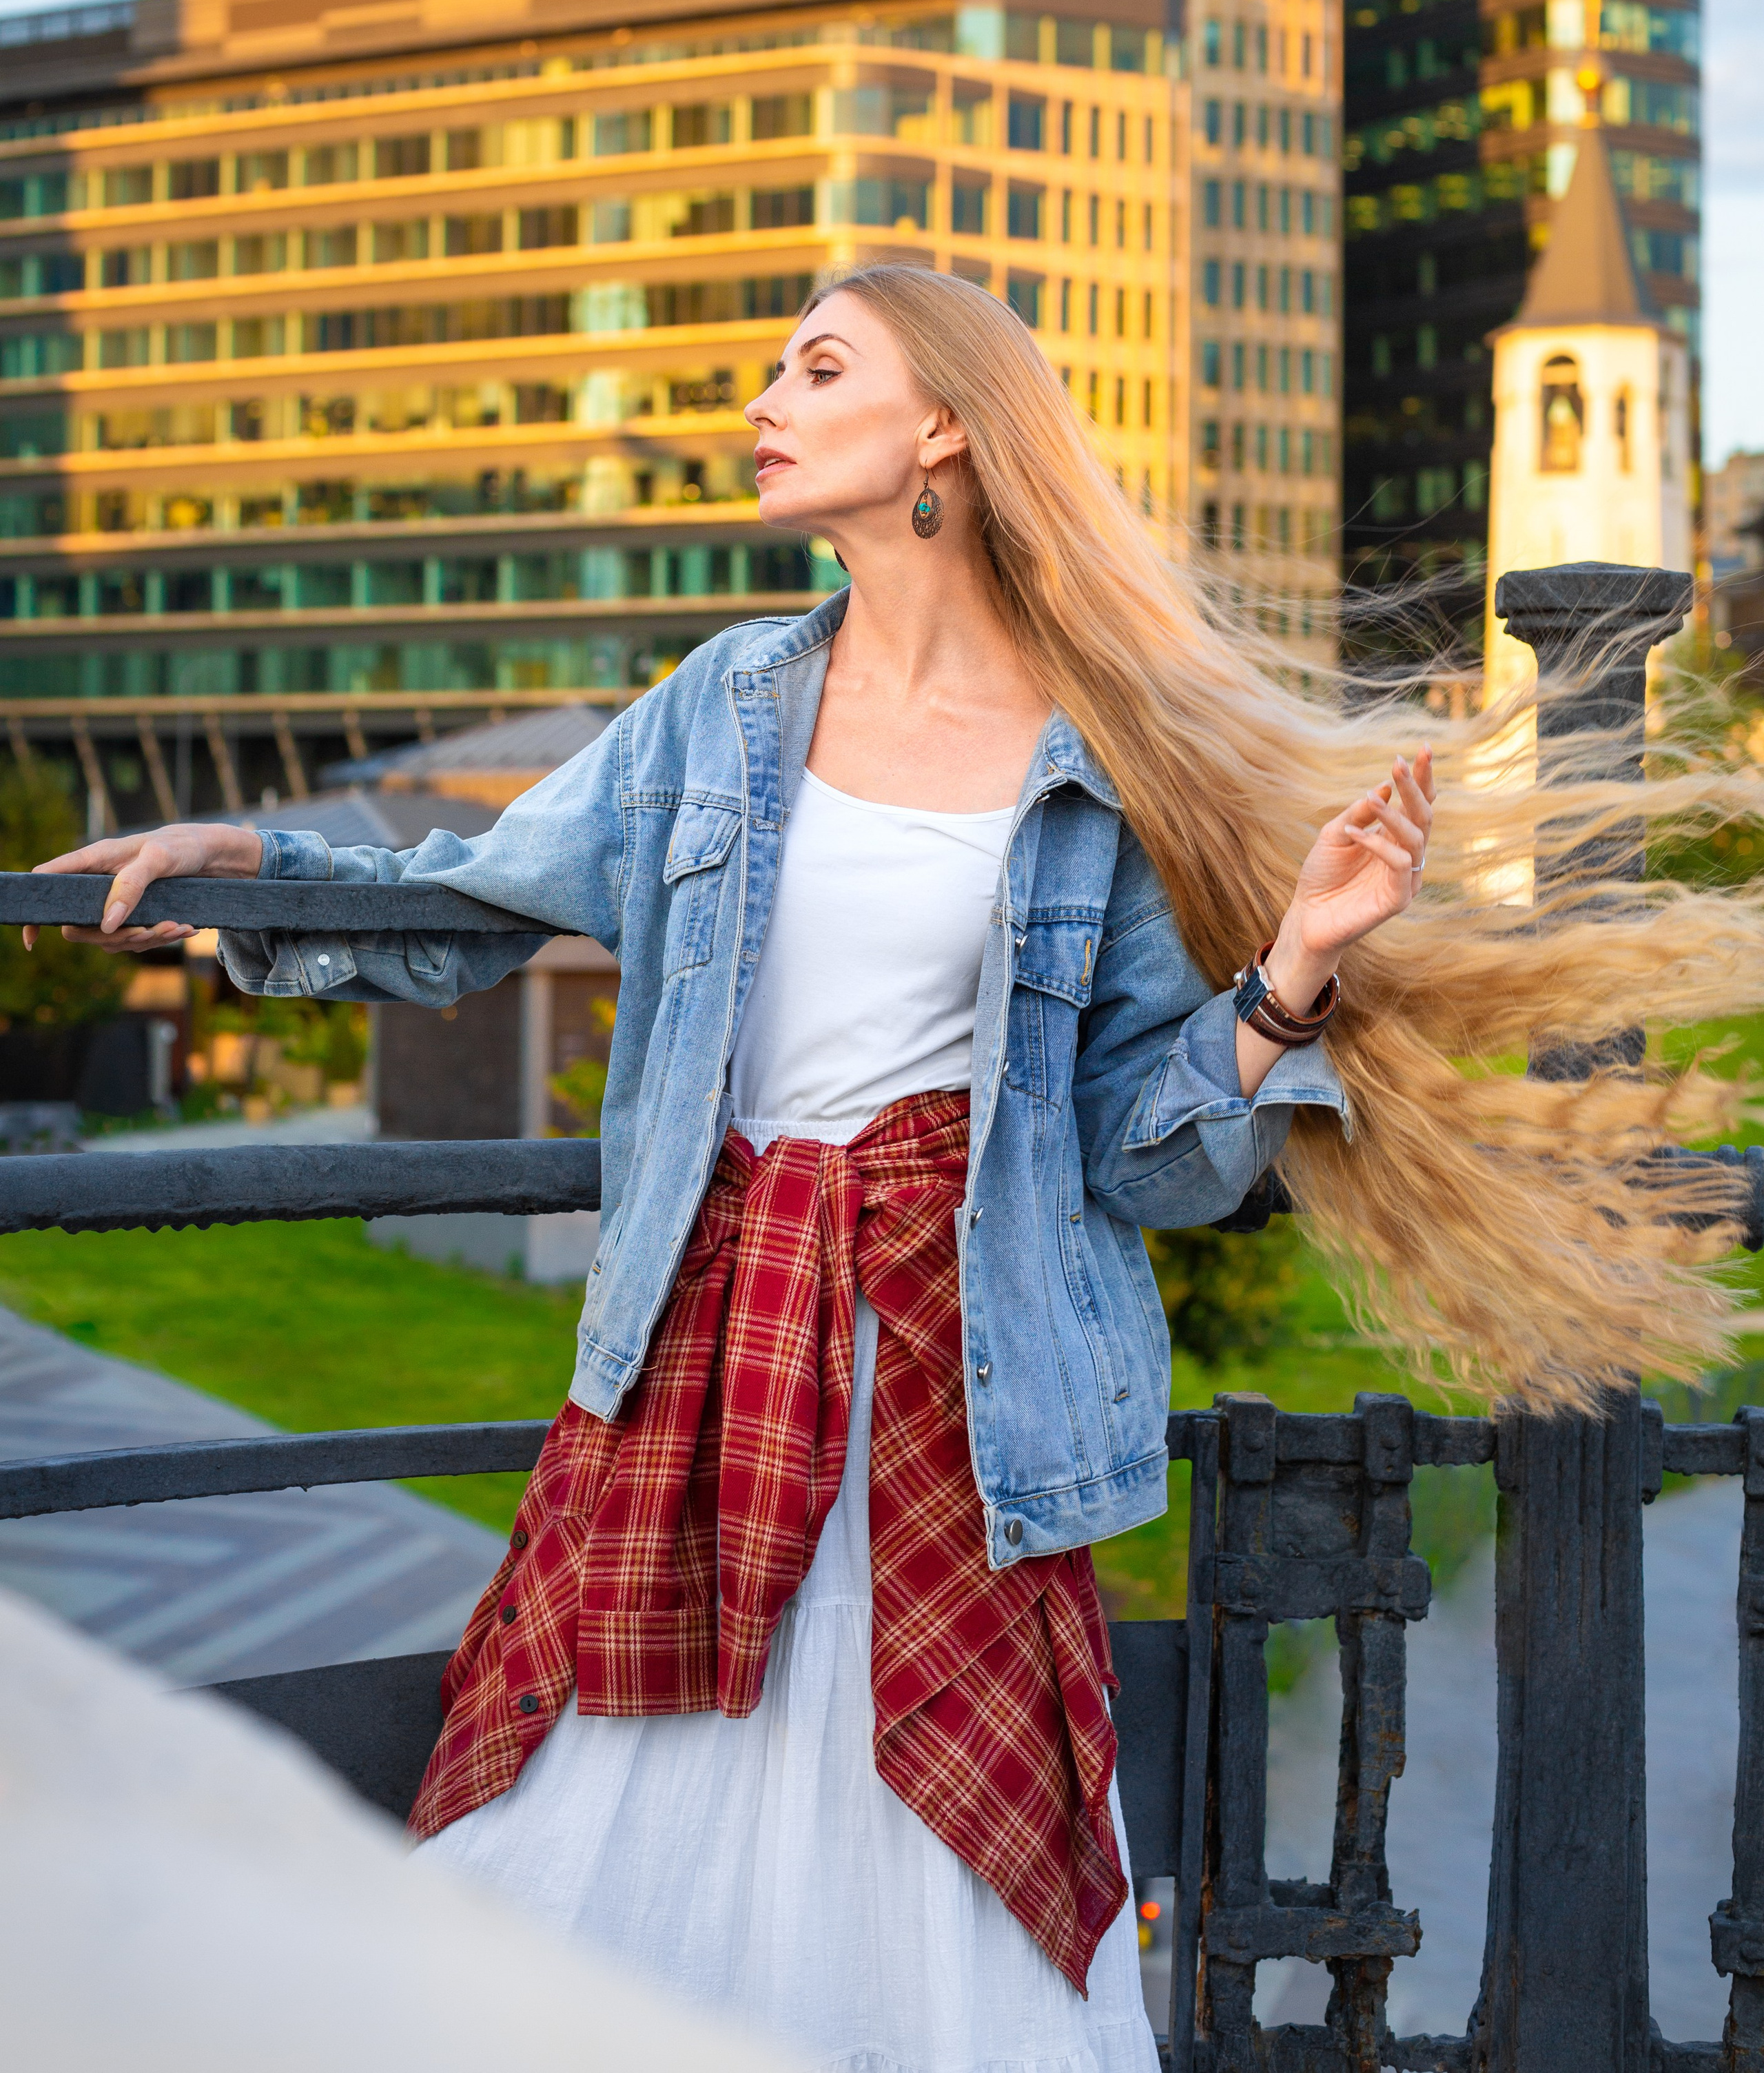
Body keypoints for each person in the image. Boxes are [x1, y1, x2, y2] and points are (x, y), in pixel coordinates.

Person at [35, 265, 1744, 2072]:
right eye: (775, 367)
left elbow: (1139, 1157)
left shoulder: (1101, 764)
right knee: (587, 1838)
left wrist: (1291, 975)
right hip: (708, 1371)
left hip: (958, 1398)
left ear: (942, 427)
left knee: (929, 1890)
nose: (763, 400)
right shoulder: (723, 704)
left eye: (818, 366)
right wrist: (256, 867)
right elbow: (472, 898)